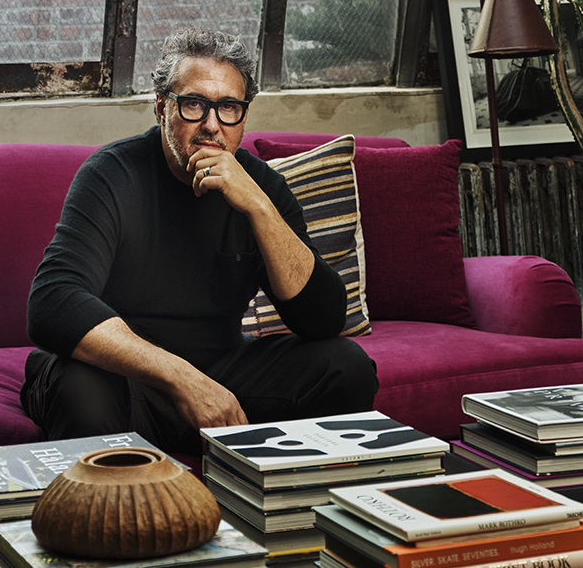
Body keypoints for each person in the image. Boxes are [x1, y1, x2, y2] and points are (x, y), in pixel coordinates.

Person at [21, 28, 377, 453]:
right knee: (79, 386)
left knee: (347, 367)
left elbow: (322, 321)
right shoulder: (112, 174)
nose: (212, 125)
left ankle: (277, 506)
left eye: (228, 107)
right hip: (127, 380)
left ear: (243, 116)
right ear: (160, 107)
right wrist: (184, 379)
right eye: (194, 105)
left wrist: (260, 210)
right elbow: (53, 302)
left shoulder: (261, 187)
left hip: (223, 371)